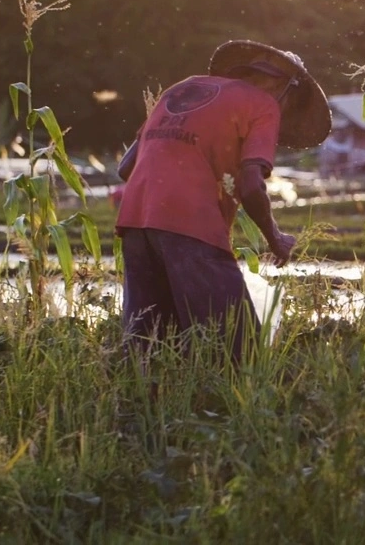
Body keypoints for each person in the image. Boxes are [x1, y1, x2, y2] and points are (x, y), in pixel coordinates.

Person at [114, 40, 332, 364]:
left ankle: (136, 410)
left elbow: (125, 167)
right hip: (191, 224)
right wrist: (275, 238)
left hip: (134, 222)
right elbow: (251, 187)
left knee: (148, 346)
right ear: (284, 87)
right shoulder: (264, 103)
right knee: (238, 348)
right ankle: (237, 409)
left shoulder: (181, 89)